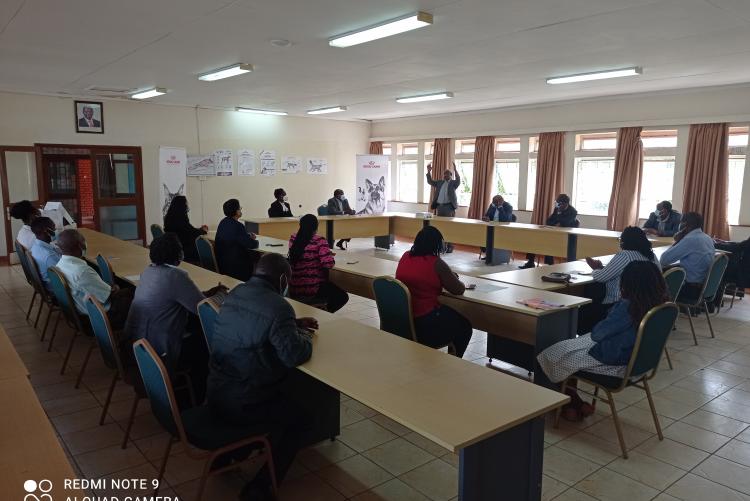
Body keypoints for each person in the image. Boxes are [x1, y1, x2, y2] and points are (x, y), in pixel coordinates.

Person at [207, 254, 318, 500]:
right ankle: (261, 487)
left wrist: (292, 324)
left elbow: (255, 322)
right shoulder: (279, 306)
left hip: (216, 391)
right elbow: (293, 355)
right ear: (281, 279)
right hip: (245, 401)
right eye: (288, 280)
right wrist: (306, 339)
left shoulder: (235, 293)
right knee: (301, 420)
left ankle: (226, 456)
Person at [537, 261, 668, 421]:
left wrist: (614, 308)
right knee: (566, 350)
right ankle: (574, 404)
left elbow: (598, 334)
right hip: (638, 364)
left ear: (629, 284)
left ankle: (569, 403)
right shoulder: (660, 306)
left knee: (553, 353)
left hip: (613, 362)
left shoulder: (628, 306)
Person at [125, 233, 227, 403]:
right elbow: (202, 309)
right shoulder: (176, 276)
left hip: (142, 345)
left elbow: (186, 297)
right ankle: (195, 400)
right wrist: (222, 295)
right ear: (178, 254)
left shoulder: (148, 272)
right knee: (209, 346)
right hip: (161, 349)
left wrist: (209, 293)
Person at [395, 226, 473, 357]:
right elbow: (458, 289)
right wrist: (451, 276)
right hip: (425, 322)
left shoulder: (405, 256)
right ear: (436, 245)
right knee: (464, 327)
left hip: (404, 319)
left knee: (451, 317)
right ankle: (454, 361)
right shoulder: (436, 263)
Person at [579, 226, 661, 333]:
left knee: (582, 311)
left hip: (618, 305)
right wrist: (602, 269)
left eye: (620, 240)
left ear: (625, 241)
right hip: (645, 304)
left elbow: (602, 277)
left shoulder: (625, 255)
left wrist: (595, 270)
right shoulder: (652, 256)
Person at [54, 229, 133, 329]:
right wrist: (115, 288)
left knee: (126, 290)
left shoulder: (60, 264)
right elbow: (109, 295)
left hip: (79, 311)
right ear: (80, 245)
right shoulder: (82, 271)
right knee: (136, 296)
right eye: (83, 240)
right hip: (98, 318)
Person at [287, 214, 348, 313]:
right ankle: (323, 313)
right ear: (316, 226)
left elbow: (304, 252)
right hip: (312, 287)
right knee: (342, 297)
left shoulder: (294, 238)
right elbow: (328, 264)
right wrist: (328, 254)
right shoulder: (320, 240)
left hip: (294, 286)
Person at [660, 212, 715, 303]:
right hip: (703, 286)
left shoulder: (690, 239)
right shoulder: (707, 238)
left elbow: (664, 260)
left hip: (689, 289)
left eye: (681, 222)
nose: (679, 224)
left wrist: (678, 241)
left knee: (655, 278)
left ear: (685, 225)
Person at [520, 194, 578, 269]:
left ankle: (559, 265)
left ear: (565, 203)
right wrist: (557, 221)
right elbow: (549, 221)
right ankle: (531, 262)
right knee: (534, 239)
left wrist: (559, 215)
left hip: (567, 237)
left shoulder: (573, 212)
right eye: (557, 203)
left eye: (559, 203)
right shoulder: (557, 209)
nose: (557, 204)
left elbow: (566, 223)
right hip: (555, 234)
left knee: (551, 243)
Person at [214, 198, 258, 281]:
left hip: (223, 264)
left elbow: (235, 237)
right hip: (237, 267)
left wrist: (247, 236)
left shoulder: (223, 222)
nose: (241, 209)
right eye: (239, 208)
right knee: (257, 257)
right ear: (236, 211)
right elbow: (252, 244)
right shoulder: (238, 226)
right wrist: (254, 240)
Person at [426, 162, 460, 253]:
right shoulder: (440, 182)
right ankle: (440, 245)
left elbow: (459, 180)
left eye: (447, 174)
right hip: (440, 207)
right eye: (444, 174)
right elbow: (430, 181)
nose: (445, 175)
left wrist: (456, 170)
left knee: (449, 227)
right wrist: (428, 172)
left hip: (449, 207)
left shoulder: (453, 183)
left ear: (451, 175)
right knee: (440, 226)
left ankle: (450, 246)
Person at [163, 195, 207, 264]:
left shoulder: (168, 216)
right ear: (182, 205)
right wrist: (203, 231)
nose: (187, 205)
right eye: (186, 203)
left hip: (173, 247)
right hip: (184, 248)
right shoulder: (181, 218)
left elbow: (188, 230)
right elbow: (190, 232)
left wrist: (199, 229)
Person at [29, 217, 61, 289]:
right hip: (55, 287)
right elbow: (64, 274)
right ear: (47, 231)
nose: (56, 231)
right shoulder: (49, 256)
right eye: (54, 228)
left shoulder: (35, 245)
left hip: (46, 282)